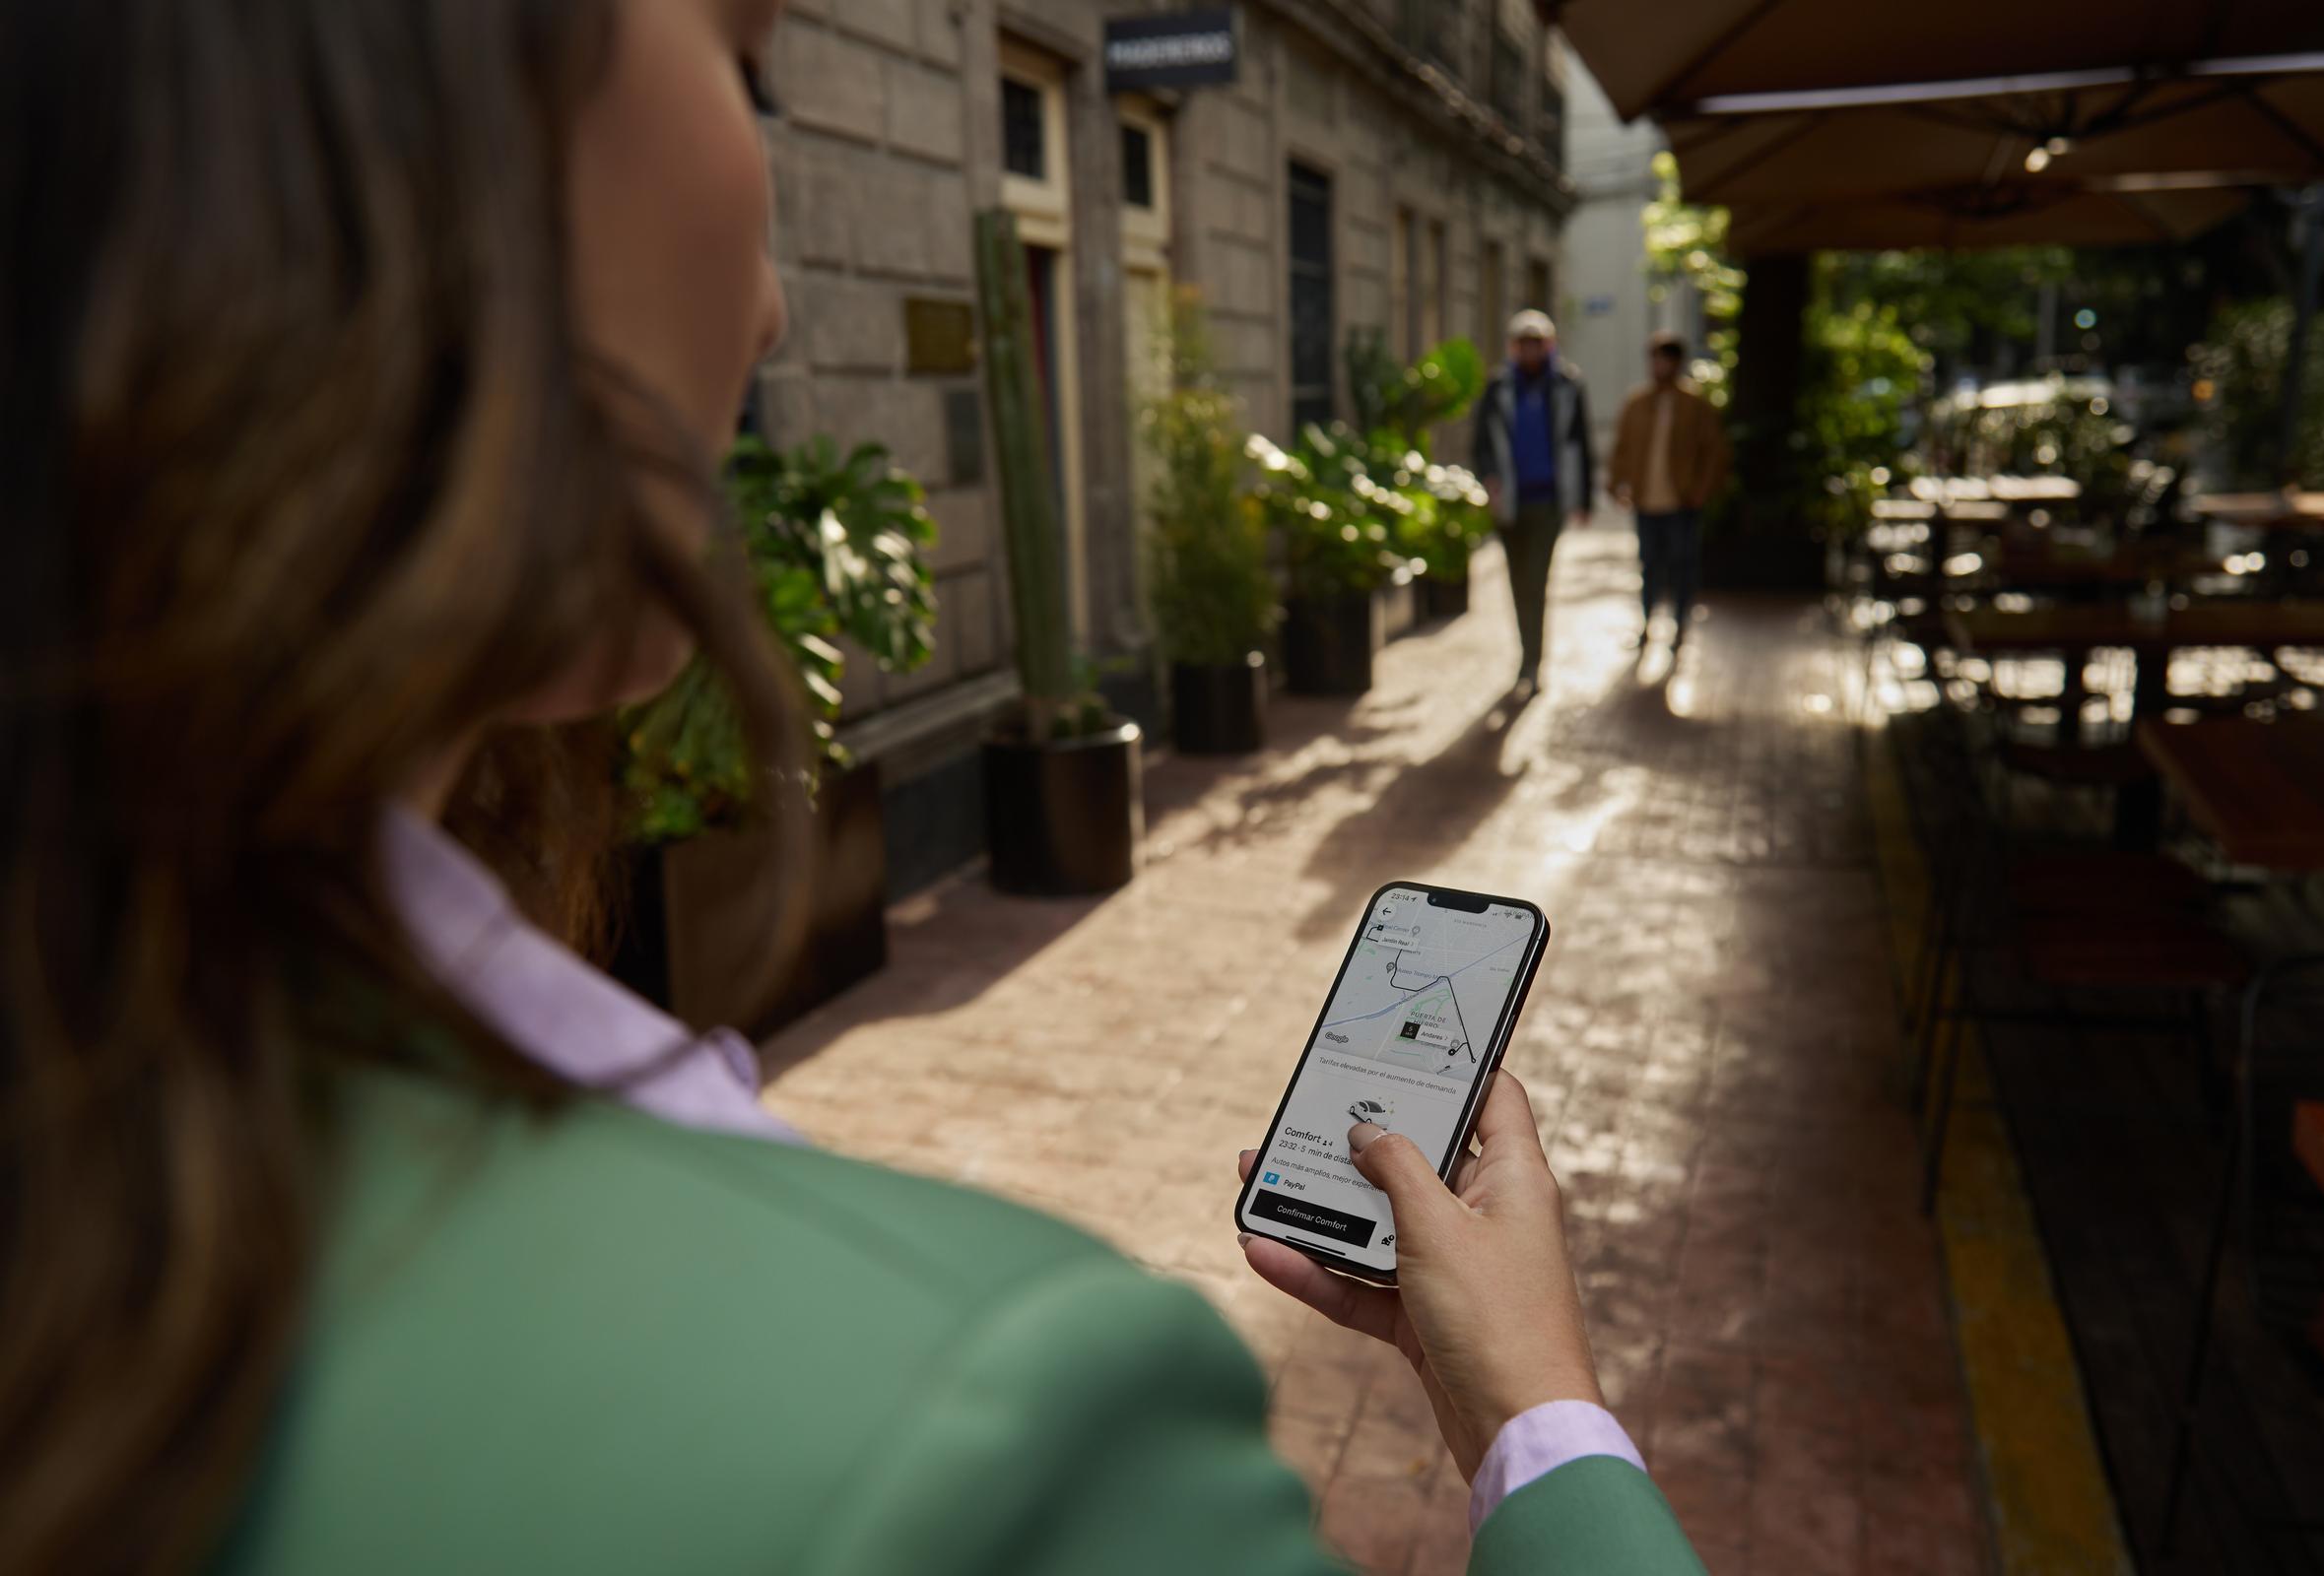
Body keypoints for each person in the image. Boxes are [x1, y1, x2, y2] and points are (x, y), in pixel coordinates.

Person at [0, 3, 1705, 1573]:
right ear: (400, 145)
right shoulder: (985, 1438)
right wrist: (1535, 1413)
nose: (772, 303)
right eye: (739, 60)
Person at [1473, 309, 1594, 695]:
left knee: (1536, 580)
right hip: (1510, 499)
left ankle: (1532, 663)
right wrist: (1487, 479)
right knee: (1516, 581)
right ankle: (1526, 654)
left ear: (1548, 346)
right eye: (1523, 343)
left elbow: (1581, 442)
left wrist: (1584, 498)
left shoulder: (1566, 385)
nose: (1530, 351)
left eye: (1536, 343)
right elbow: (1481, 444)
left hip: (1548, 500)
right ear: (1514, 347)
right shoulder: (1499, 387)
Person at [1609, 331, 1731, 650]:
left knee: (1681, 565)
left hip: (1682, 501)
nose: (1658, 366)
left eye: (1664, 359)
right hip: (1646, 501)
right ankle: (1647, 625)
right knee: (1649, 565)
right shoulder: (1637, 403)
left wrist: (1702, 490)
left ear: (1676, 363)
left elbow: (1714, 451)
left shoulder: (1695, 405)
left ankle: (1680, 626)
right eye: (1654, 359)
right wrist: (1618, 486)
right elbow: (1621, 450)